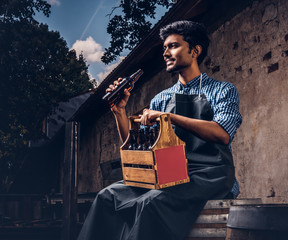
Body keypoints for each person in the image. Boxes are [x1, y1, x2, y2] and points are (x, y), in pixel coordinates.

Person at [77, 20, 242, 240]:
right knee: (107, 197)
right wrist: (119, 112)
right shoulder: (161, 99)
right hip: (168, 174)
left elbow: (221, 133)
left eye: (173, 46)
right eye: (164, 48)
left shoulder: (222, 90)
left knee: (151, 202)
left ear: (195, 51)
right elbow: (141, 149)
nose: (165, 52)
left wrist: (169, 117)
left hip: (209, 174)